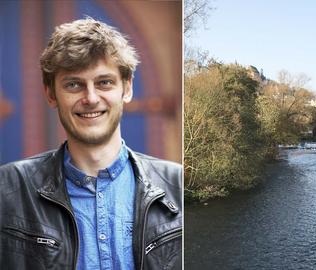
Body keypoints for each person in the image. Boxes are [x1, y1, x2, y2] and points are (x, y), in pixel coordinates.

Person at [0, 18, 182, 270]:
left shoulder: (178, 185)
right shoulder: (7, 188)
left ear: (127, 88)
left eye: (104, 82)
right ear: (51, 95)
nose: (91, 98)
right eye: (74, 84)